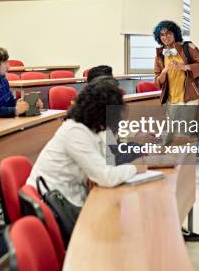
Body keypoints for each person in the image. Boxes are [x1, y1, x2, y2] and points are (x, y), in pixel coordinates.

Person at [27, 76, 145, 208]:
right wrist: (136, 168)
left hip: (68, 195)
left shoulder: (93, 127)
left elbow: (108, 162)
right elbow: (106, 177)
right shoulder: (75, 131)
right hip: (53, 202)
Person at [152, 20, 199, 142]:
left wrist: (184, 67)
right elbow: (157, 82)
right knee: (171, 132)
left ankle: (180, 160)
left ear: (175, 34)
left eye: (168, 33)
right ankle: (174, 158)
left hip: (188, 98)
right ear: (158, 37)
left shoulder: (187, 48)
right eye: (162, 35)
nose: (165, 37)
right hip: (171, 100)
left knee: (182, 133)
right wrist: (164, 71)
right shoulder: (159, 56)